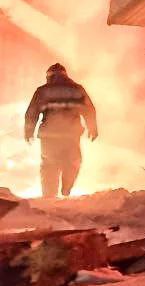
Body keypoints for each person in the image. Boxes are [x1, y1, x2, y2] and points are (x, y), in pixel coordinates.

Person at [23, 64, 98, 199]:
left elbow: (31, 112)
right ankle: (66, 188)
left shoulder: (43, 91)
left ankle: (49, 196)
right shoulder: (77, 89)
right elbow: (89, 110)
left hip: (49, 136)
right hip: (71, 135)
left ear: (49, 76)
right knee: (72, 162)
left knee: (49, 165)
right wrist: (92, 128)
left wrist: (29, 131)